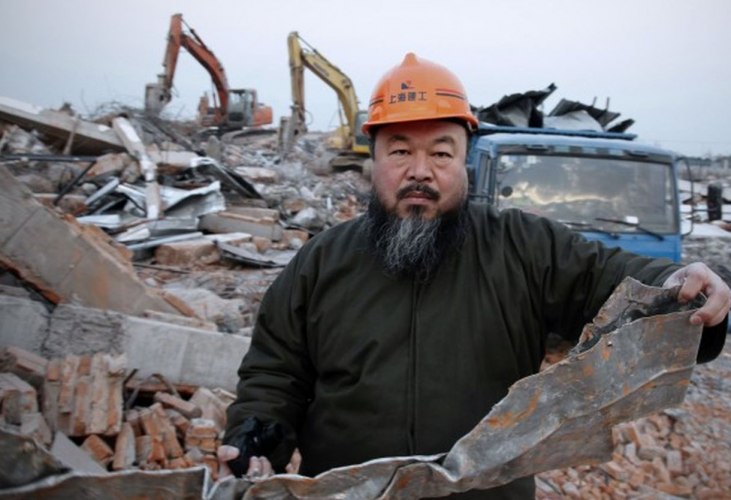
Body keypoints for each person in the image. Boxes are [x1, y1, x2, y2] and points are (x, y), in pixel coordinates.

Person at [217, 53, 731, 498]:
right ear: (372, 159)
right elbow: (275, 371)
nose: (420, 170)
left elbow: (612, 277)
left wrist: (683, 284)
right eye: (400, 151)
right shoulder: (322, 261)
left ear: (466, 160)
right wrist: (256, 434)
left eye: (441, 152)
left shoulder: (524, 247)